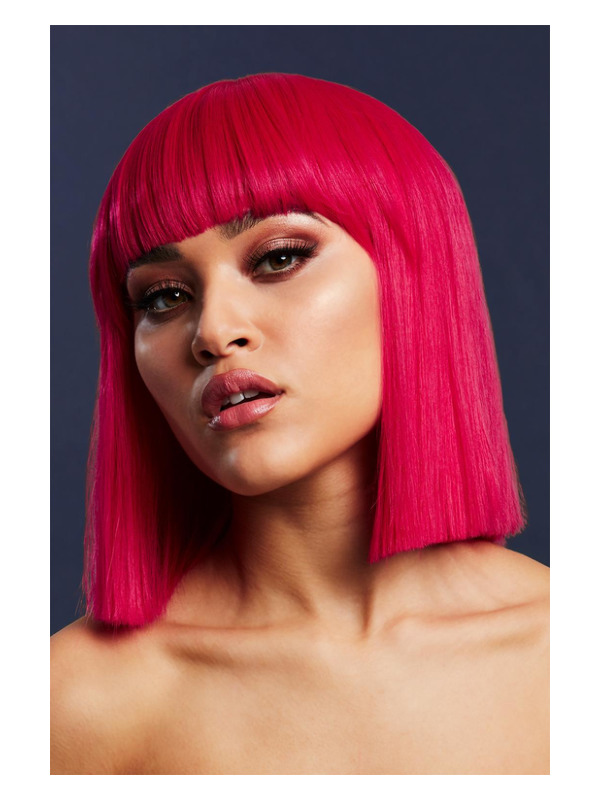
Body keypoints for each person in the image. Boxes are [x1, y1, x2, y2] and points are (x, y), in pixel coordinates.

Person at [50, 73, 549, 775]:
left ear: (413, 272)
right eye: (163, 297)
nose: (214, 331)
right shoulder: (70, 701)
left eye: (278, 258)